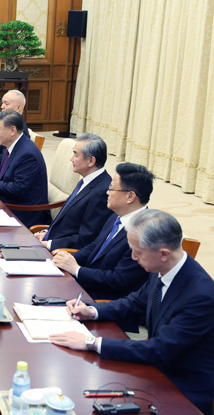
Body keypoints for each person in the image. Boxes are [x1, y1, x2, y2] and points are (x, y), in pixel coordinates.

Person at [50, 210, 214, 414]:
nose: (133, 257)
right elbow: (134, 303)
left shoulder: (200, 295)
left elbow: (160, 348)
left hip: (183, 388)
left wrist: (91, 342)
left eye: (138, 252)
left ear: (164, 254)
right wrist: (91, 311)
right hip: (155, 369)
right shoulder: (163, 268)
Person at [52, 162, 153, 301]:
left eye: (111, 189)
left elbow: (118, 280)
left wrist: (77, 270)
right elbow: (95, 246)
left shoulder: (144, 234)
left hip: (104, 300)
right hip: (86, 284)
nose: (107, 192)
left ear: (130, 196)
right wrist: (70, 258)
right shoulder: (116, 216)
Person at [35, 133, 111, 249]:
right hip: (52, 239)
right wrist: (46, 233)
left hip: (62, 252)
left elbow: (86, 239)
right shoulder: (87, 180)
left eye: (75, 154)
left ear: (91, 161)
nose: (71, 159)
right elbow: (67, 222)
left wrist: (48, 244)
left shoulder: (102, 192)